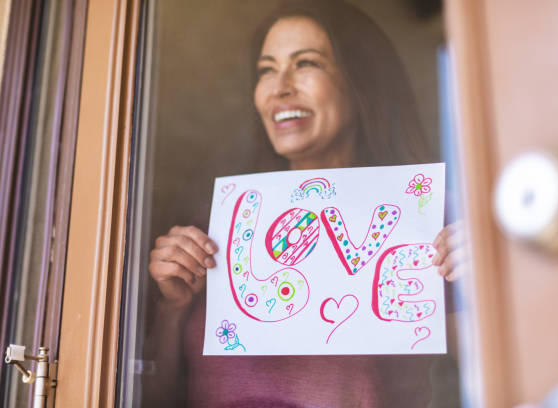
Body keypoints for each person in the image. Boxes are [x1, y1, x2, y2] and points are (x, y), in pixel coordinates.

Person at [145, 1, 463, 406]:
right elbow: (154, 395)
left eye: (306, 63)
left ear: (359, 82)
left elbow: (486, 377)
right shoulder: (220, 230)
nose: (280, 87)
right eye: (266, 70)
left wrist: (481, 288)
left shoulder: (429, 222)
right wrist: (173, 308)